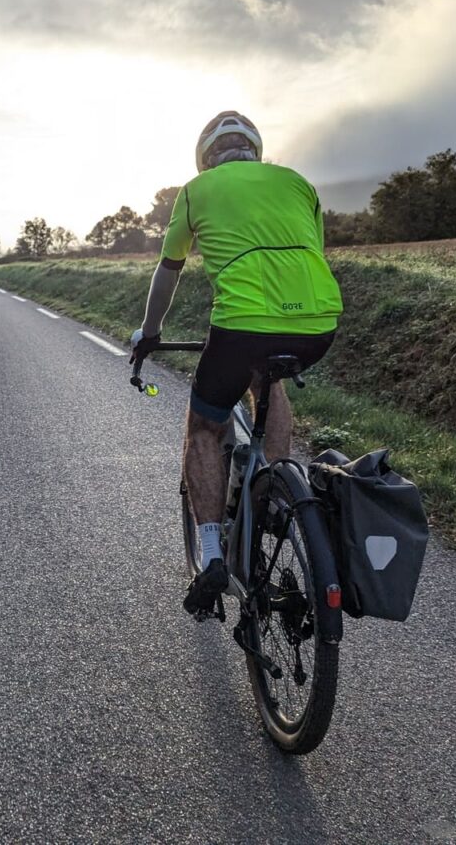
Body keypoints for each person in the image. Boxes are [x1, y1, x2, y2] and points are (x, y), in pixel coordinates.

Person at [130, 111, 343, 617]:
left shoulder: (196, 190)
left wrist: (151, 332)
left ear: (206, 158)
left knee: (205, 426)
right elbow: (307, 251)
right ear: (257, 151)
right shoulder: (299, 184)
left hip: (242, 322)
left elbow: (170, 268)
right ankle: (274, 488)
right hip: (319, 323)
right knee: (269, 382)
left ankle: (209, 556)